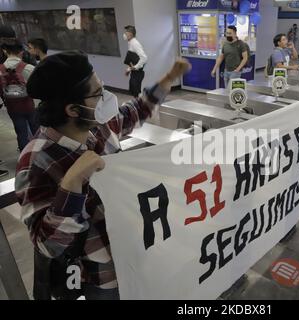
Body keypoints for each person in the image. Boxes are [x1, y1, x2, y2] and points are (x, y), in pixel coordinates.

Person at [15, 51, 191, 300]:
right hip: (100, 275)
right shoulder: (35, 161)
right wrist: (71, 184)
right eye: (98, 93)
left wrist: (169, 78)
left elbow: (136, 111)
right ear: (73, 109)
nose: (106, 98)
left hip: (137, 254)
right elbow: (48, 245)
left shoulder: (98, 129)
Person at [0, 39, 38, 152]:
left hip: (12, 107)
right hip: (29, 105)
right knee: (37, 132)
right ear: (21, 52)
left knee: (21, 133)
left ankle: (24, 159)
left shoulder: (0, 69)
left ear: (5, 51)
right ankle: (38, 157)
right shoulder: (29, 68)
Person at [123, 25, 148, 98]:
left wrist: (136, 67)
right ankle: (139, 105)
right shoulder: (130, 43)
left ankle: (140, 106)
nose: (125, 34)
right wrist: (129, 69)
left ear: (130, 34)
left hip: (138, 73)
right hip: (135, 72)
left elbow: (144, 57)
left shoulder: (135, 43)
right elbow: (131, 59)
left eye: (126, 32)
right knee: (134, 90)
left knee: (136, 91)